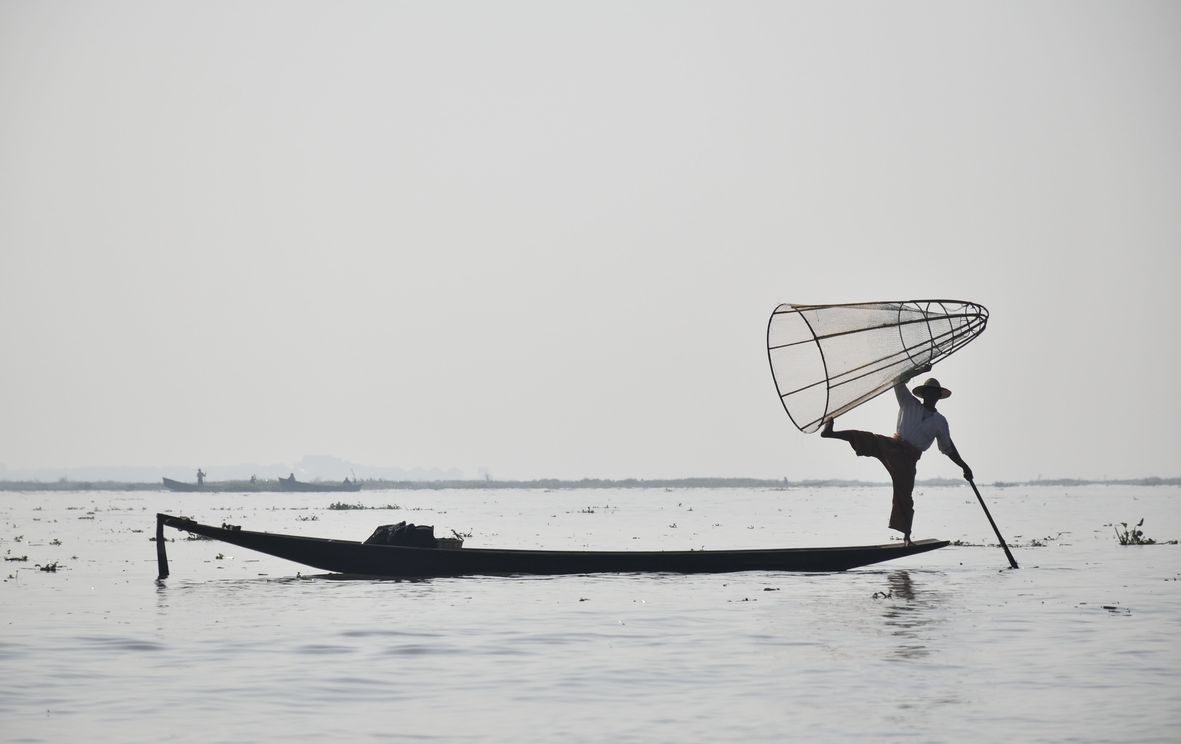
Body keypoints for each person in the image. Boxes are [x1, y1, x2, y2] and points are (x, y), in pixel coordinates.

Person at [821, 366, 972, 545]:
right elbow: (897, 380)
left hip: (908, 460)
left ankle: (907, 537)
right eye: (928, 393)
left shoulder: (940, 421)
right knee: (867, 438)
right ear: (923, 395)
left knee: (904, 496)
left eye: (934, 394)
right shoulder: (908, 402)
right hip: (892, 446)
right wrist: (920, 370)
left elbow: (948, 448)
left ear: (938, 397)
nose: (931, 396)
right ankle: (830, 433)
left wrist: (964, 466)